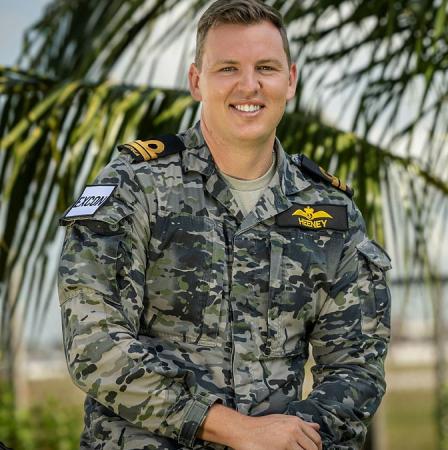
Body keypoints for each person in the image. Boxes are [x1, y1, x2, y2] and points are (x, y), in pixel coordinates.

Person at [58, 1, 391, 449]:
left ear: (290, 80)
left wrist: (294, 440)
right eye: (228, 68)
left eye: (266, 68)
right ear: (197, 81)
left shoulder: (331, 213)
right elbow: (94, 343)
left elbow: (356, 367)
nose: (249, 85)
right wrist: (231, 428)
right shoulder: (135, 187)